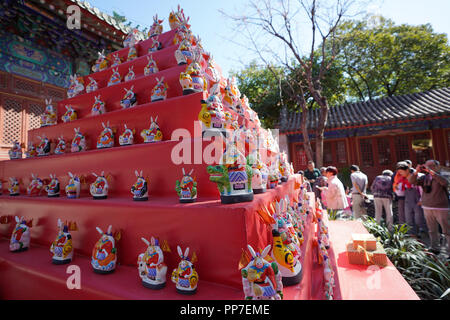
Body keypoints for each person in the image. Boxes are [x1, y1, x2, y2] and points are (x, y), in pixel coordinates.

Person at [408, 160, 449, 255]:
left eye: (431, 165)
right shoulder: (424, 177)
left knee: (447, 230)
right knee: (432, 230)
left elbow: (445, 183)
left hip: (441, 207)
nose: (428, 167)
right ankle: (435, 248)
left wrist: (431, 172)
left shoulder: (442, 174)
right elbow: (411, 181)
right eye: (426, 166)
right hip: (427, 207)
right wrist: (416, 171)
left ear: (437, 166)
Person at [397, 163, 427, 237]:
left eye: (401, 172)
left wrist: (421, 199)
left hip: (417, 199)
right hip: (408, 199)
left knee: (419, 217)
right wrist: (397, 189)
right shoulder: (402, 179)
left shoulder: (418, 176)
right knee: (408, 217)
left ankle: (423, 232)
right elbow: (401, 192)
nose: (400, 174)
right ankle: (412, 233)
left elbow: (422, 189)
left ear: (407, 170)